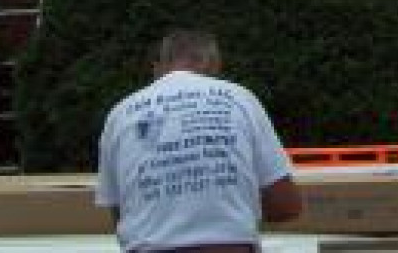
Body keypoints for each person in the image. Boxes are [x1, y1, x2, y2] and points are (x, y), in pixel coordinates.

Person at [96, 30, 302, 253]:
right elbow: (286, 205)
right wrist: (231, 203)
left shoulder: (120, 114)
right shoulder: (239, 98)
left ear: (158, 66)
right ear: (214, 66)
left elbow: (122, 216)